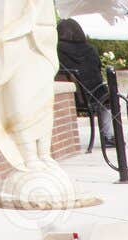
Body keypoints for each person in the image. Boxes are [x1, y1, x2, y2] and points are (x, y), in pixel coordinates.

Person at [54, 17, 112, 149]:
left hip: (71, 98)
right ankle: (109, 136)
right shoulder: (90, 50)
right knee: (109, 97)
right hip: (95, 96)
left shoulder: (56, 51)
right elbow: (97, 69)